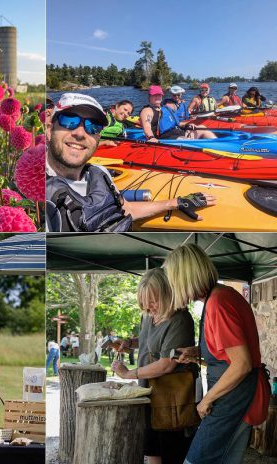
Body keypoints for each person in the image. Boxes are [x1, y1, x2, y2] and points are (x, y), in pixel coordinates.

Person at [45, 92, 217, 232]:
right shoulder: (36, 191)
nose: (80, 133)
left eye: (93, 127)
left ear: (98, 136)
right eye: (69, 121)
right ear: (49, 128)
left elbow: (125, 209)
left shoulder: (99, 173)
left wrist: (174, 202)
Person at [164, 244, 270, 464]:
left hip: (233, 399)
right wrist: (196, 353)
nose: (173, 288)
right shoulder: (220, 297)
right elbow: (227, 356)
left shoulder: (219, 303)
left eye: (174, 281)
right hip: (232, 397)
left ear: (185, 278)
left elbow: (241, 364)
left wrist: (206, 400)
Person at [112, 268, 197, 464]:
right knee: (151, 449)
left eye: (153, 301)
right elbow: (148, 341)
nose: (148, 307)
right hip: (149, 394)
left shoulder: (179, 320)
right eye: (144, 302)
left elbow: (166, 364)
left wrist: (128, 374)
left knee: (171, 452)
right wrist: (130, 343)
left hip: (171, 400)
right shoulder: (148, 316)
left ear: (168, 294)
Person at [140, 86, 216, 141]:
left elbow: (178, 123)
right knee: (188, 141)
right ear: (149, 96)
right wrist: (151, 138)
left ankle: (220, 147)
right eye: (154, 95)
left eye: (159, 95)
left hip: (178, 132)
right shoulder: (147, 110)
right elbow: (147, 128)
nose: (157, 96)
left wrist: (187, 125)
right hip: (167, 138)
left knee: (202, 127)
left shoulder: (165, 108)